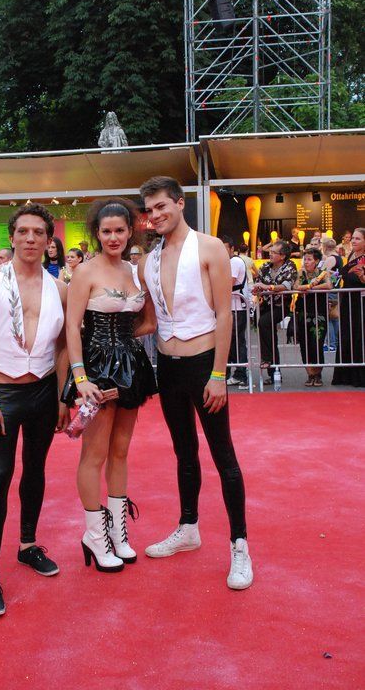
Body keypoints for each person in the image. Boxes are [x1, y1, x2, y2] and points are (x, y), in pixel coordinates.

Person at [139, 176, 253, 590]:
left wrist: (219, 374)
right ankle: (188, 527)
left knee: (224, 456)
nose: (155, 216)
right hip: (167, 368)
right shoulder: (147, 261)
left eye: (161, 206)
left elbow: (224, 313)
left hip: (205, 364)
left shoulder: (210, 247)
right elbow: (149, 321)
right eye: (149, 210)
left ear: (180, 203)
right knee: (183, 452)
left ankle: (240, 545)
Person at [0, 204, 70, 617]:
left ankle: (27, 545)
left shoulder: (59, 287)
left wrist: (62, 398)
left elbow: (63, 346)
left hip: (44, 390)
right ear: (11, 237)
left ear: (48, 240)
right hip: (3, 393)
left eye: (38, 232)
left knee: (36, 470)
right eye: (23, 231)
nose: (30, 238)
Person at [62, 199, 157, 573]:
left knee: (120, 451)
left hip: (132, 367)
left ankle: (117, 532)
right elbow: (72, 328)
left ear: (130, 231)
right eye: (106, 231)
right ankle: (95, 535)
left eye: (120, 230)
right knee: (95, 453)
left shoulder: (136, 271)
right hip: (96, 369)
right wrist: (81, 377)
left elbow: (149, 322)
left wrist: (125, 344)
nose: (113, 237)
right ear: (96, 234)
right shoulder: (85, 272)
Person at [253, 240, 298, 384]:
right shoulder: (265, 266)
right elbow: (258, 282)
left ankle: (267, 359)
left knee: (264, 323)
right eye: (270, 252)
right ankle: (274, 373)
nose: (270, 254)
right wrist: (257, 288)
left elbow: (286, 286)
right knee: (269, 334)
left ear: (283, 255)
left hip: (281, 305)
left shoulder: (290, 266)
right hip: (265, 305)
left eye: (274, 252)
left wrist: (268, 287)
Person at [332, 227, 365, 388]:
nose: (354, 241)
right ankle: (346, 375)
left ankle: (359, 376)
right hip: (348, 301)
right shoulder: (352, 255)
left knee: (359, 336)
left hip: (361, 303)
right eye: (353, 238)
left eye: (358, 239)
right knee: (346, 334)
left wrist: (362, 276)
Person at [294, 248, 332, 386]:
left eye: (309, 259)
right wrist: (307, 286)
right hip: (303, 312)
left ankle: (318, 374)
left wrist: (311, 288)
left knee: (317, 343)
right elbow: (296, 286)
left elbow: (329, 285)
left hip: (319, 313)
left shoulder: (323, 273)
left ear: (316, 261)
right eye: (305, 259)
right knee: (304, 344)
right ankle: (310, 374)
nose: (306, 262)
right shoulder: (301, 272)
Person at [222, 237, 249, 388]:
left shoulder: (235, 262)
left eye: (225, 248)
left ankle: (240, 374)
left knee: (237, 341)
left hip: (237, 307)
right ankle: (232, 373)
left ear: (232, 249)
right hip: (230, 307)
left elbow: (227, 283)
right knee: (230, 341)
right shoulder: (226, 262)